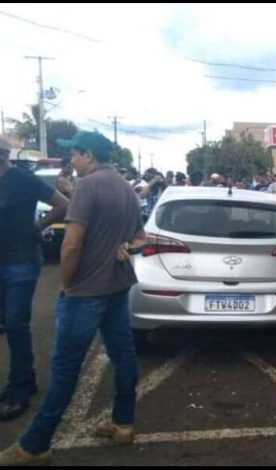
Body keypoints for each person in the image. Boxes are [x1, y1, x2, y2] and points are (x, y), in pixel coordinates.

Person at [0, 131, 145, 466]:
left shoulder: (87, 188)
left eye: (75, 155)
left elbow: (71, 245)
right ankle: (123, 423)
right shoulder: (124, 186)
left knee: (65, 367)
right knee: (123, 354)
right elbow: (140, 236)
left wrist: (66, 286)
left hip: (85, 292)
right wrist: (127, 247)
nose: (71, 161)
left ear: (89, 155)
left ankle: (35, 445)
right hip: (116, 286)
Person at [0, 137, 69, 422]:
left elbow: (62, 204)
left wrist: (37, 227)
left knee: (16, 323)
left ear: (3, 154)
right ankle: (25, 378)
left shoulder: (22, 179)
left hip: (21, 261)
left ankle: (20, 388)